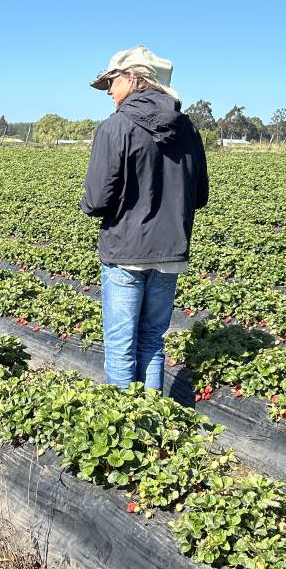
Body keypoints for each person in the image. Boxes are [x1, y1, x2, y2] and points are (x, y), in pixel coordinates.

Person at [80, 45, 209, 391]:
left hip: (125, 252)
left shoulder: (115, 128)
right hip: (170, 255)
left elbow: (94, 201)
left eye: (111, 81)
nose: (108, 91)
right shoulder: (189, 131)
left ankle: (125, 431)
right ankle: (154, 430)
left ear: (134, 79)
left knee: (121, 347)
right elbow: (200, 197)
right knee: (152, 340)